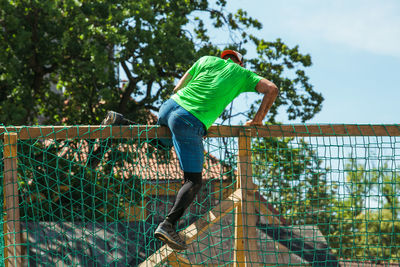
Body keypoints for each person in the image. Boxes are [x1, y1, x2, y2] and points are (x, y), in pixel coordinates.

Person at [102, 50, 279, 251]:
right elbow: (271, 89)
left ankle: (121, 122)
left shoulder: (205, 60)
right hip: (188, 119)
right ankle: (168, 224)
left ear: (223, 58)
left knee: (164, 143)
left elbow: (178, 88)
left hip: (169, 107)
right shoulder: (243, 74)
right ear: (239, 62)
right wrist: (257, 120)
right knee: (193, 181)